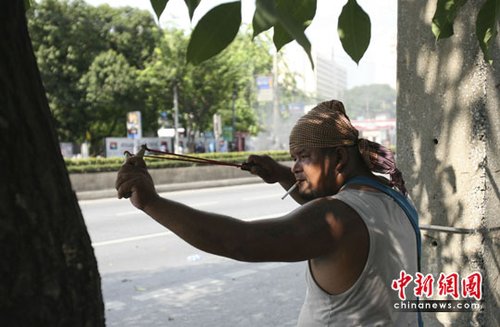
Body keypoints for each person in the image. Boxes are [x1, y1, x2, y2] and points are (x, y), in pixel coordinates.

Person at [116, 100, 421, 326]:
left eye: (303, 157)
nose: (296, 168)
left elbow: (241, 241)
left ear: (339, 157)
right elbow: (333, 220)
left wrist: (152, 203)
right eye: (293, 159)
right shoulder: (394, 199)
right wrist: (281, 174)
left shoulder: (335, 217)